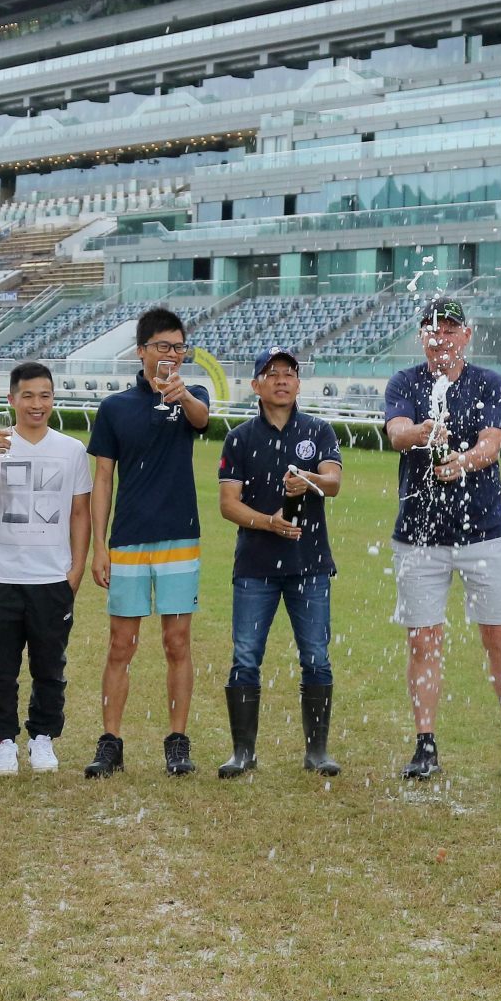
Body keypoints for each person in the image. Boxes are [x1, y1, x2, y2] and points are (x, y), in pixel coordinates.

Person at [384, 298, 501, 781]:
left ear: (466, 335)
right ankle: (425, 744)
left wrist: (462, 461)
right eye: (432, 329)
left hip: (484, 532)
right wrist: (423, 432)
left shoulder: (489, 382)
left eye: (450, 329)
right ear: (421, 336)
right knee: (423, 641)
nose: (441, 337)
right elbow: (396, 433)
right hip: (419, 535)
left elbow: (491, 446)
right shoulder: (405, 382)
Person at [86, 308, 210, 778]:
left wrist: (180, 396)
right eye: (162, 346)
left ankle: (177, 741)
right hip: (129, 540)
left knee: (177, 641)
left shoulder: (190, 395)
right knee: (122, 643)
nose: (171, 355)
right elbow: (102, 479)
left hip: (180, 536)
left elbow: (202, 419)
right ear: (141, 350)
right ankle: (111, 742)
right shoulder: (115, 408)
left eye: (179, 348)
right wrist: (100, 545)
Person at [214, 348, 344, 778]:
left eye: (290, 374)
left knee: (316, 658)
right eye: (272, 374)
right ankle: (243, 752)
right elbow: (228, 505)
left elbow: (335, 482)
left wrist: (306, 480)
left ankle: (317, 751)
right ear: (256, 385)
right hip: (255, 566)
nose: (282, 380)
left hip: (309, 564)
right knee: (246, 657)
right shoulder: (239, 438)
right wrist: (268, 523)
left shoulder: (318, 430)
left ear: (298, 384)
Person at [0, 363, 91, 776]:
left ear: (53, 399)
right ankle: (3, 742)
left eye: (45, 396)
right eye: (28, 396)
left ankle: (42, 738)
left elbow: (81, 514)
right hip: (1, 576)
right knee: (0, 669)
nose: (37, 404)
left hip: (51, 578)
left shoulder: (70, 450)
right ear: (11, 399)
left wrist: (76, 570)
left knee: (50, 667)